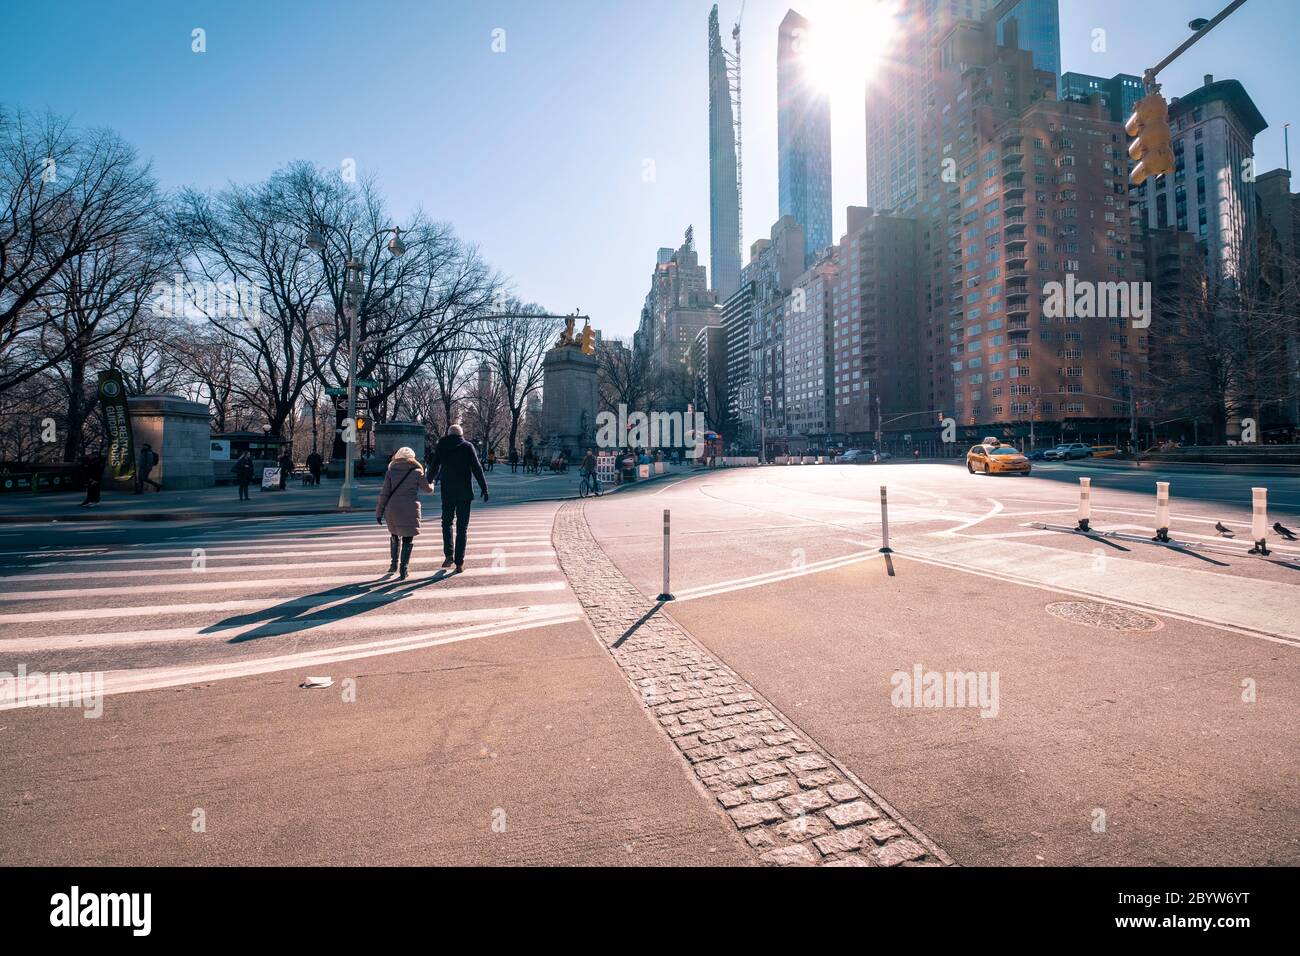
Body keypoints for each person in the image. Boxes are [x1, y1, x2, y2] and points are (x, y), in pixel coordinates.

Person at [426, 423, 489, 574]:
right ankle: (459, 563)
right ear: (461, 435)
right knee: (462, 527)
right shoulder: (468, 447)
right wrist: (484, 488)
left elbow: (434, 466)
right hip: (464, 492)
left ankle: (448, 555)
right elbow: (477, 468)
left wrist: (427, 482)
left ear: (448, 434)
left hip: (447, 491)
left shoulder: (442, 445)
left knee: (446, 522)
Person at [375, 446, 434, 580]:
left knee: (395, 535)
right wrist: (433, 483)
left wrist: (379, 512)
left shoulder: (390, 472)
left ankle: (393, 564)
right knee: (408, 538)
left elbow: (384, 493)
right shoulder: (417, 471)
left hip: (392, 508)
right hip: (409, 508)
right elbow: (428, 489)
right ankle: (404, 568)